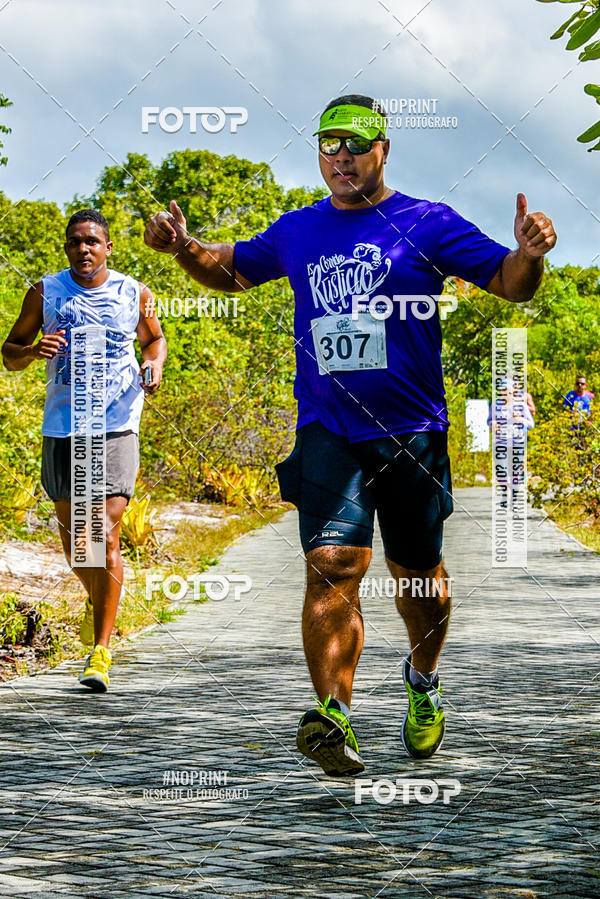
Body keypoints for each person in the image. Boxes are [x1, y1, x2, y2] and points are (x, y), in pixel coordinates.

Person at [143, 93, 557, 776]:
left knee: (419, 578)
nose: (340, 157)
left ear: (383, 150)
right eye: (328, 145)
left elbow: (509, 284)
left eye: (355, 145)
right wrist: (185, 246)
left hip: (411, 431)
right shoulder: (299, 229)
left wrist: (528, 252)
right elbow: (232, 269)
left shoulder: (426, 222)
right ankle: (334, 713)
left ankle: (422, 680)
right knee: (334, 563)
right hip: (327, 426)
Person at [2, 209, 166, 693]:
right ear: (67, 247)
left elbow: (154, 340)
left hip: (116, 424)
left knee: (105, 534)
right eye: (75, 242)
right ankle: (107, 607)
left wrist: (152, 365)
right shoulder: (45, 291)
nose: (83, 250)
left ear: (108, 248)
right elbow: (9, 351)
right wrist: (32, 353)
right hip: (63, 427)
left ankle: (101, 650)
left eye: (92, 241)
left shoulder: (134, 293)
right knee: (80, 545)